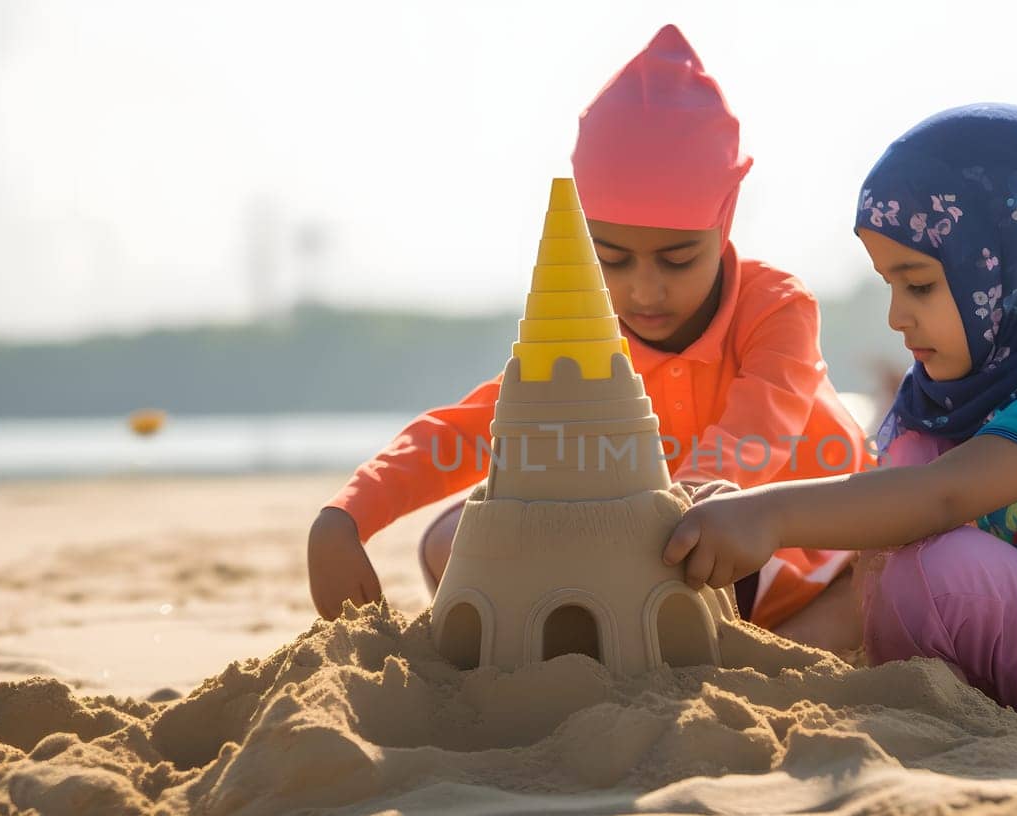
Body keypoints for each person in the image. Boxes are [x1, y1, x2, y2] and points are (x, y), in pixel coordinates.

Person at [663, 105, 1017, 717]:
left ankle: (930, 692)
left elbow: (942, 497)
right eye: (888, 283)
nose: (896, 316)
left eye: (919, 285)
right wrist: (763, 658)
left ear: (1010, 272)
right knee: (891, 547)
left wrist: (770, 515)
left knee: (940, 569)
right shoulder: (941, 403)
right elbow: (875, 550)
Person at [308, 25, 869, 649]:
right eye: (613, 258)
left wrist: (676, 507)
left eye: (678, 259)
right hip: (652, 549)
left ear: (725, 217)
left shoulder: (776, 307)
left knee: (858, 608)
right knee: (452, 541)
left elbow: (758, 430)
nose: (644, 291)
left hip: (790, 550)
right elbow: (475, 426)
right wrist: (347, 514)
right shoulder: (586, 334)